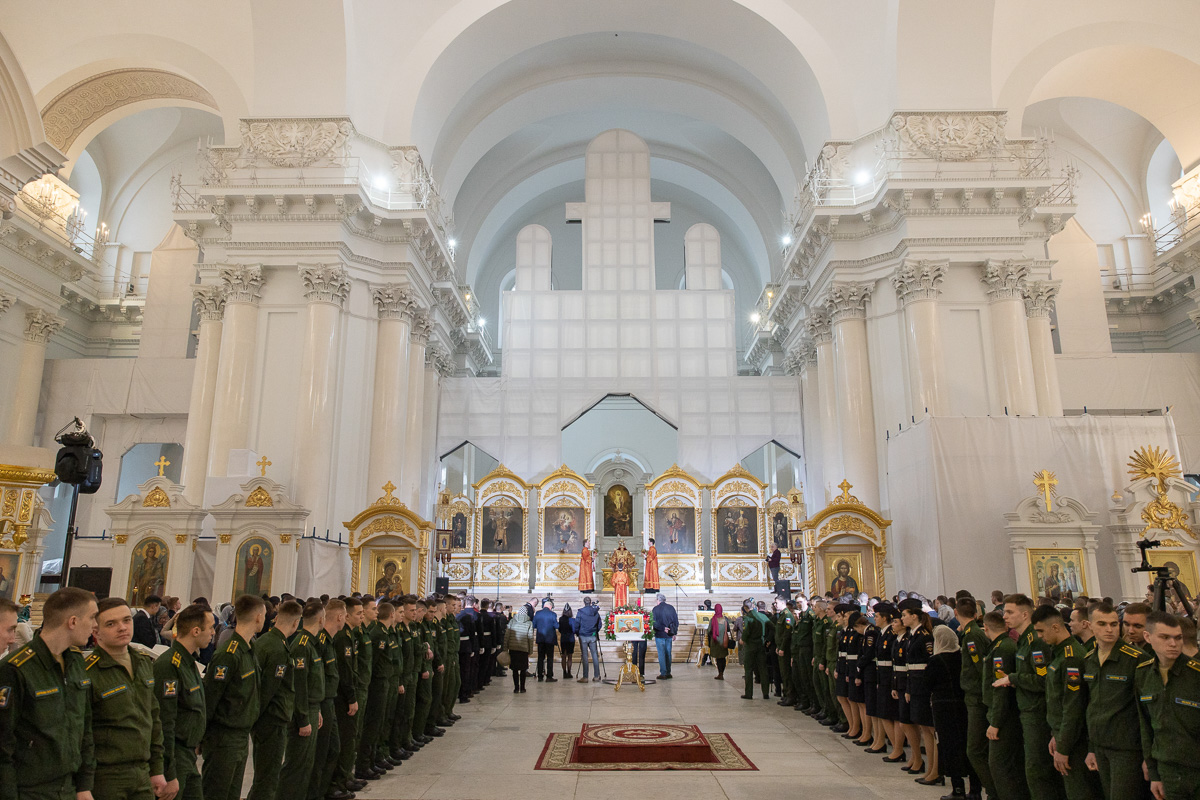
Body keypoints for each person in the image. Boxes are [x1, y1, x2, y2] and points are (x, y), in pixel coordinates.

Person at [0, 586, 98, 799]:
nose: (95, 625)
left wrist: (84, 785)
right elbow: (3, 744)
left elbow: (84, 726)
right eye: (92, 617)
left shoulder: (76, 661)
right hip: (31, 790)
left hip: (68, 787)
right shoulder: (16, 668)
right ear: (72, 621)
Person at [86, 597, 168, 799]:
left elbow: (153, 718)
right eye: (111, 624)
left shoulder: (143, 663)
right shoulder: (88, 672)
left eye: (126, 620)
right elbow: (82, 732)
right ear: (96, 632)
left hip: (142, 772)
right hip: (106, 776)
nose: (122, 628)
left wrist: (157, 768)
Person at [1082, 601, 1150, 800]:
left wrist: (1149, 757)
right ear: (1090, 626)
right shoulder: (1089, 659)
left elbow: (1147, 711)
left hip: (1127, 748)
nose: (1110, 629)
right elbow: (1092, 705)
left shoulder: (1137, 658)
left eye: (1114, 624)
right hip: (1101, 745)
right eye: (1102, 624)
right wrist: (1092, 748)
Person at [1033, 604, 1102, 800]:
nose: (1039, 636)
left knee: (1080, 792)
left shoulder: (1071, 657)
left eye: (1040, 631)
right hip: (1064, 736)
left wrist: (1063, 746)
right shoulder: (1059, 653)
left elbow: (1073, 707)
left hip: (1075, 741)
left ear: (1055, 627)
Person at [202, 594, 264, 800]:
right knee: (217, 792)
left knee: (233, 793)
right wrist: (201, 737)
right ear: (257, 617)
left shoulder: (249, 647)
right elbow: (211, 697)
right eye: (263, 614)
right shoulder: (229, 653)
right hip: (223, 737)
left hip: (240, 734)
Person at [1137, 611, 1200, 800]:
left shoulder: (1196, 674)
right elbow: (1146, 726)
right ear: (1148, 637)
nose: (1173, 644)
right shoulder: (1143, 674)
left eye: (1178, 638)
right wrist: (1154, 773)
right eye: (1165, 637)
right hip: (1168, 772)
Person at [154, 602, 213, 800]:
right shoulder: (170, 665)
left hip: (188, 754)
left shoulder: (188, 662)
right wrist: (169, 773)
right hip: (175, 756)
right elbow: (165, 722)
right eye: (211, 627)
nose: (213, 632)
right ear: (196, 631)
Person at [244, 598, 299, 800]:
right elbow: (268, 689)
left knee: (264, 773)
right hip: (272, 718)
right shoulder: (277, 647)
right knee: (268, 776)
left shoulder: (266, 641)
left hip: (265, 718)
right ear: (295, 623)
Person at [927, 623, 980, 799]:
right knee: (967, 745)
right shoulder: (961, 656)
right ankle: (975, 789)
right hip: (962, 704)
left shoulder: (935, 661)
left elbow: (928, 684)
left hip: (943, 707)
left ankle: (958, 789)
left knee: (949, 747)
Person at [983, 608, 1030, 800]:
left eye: (1010, 611)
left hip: (1004, 716)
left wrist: (996, 722)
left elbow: (1000, 688)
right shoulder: (1002, 645)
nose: (1006, 616)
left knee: (1001, 767)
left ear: (985, 628)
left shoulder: (1003, 648)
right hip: (1003, 714)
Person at [740, 598, 771, 700]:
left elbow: (747, 631)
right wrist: (768, 639)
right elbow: (772, 627)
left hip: (751, 645)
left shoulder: (748, 618)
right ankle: (765, 693)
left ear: (745, 607)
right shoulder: (762, 616)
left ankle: (749, 693)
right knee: (763, 669)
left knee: (748, 669)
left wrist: (743, 639)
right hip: (761, 644)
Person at [504, 603, 534, 693]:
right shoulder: (529, 623)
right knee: (523, 669)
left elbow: (507, 636)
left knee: (514, 669)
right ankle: (523, 688)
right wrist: (530, 650)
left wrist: (505, 649)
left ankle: (516, 688)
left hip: (513, 648)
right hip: (524, 649)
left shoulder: (512, 621)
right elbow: (530, 638)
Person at [652, 593, 678, 679]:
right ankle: (668, 672)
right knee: (668, 653)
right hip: (669, 635)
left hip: (660, 634)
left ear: (658, 600)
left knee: (661, 654)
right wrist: (674, 633)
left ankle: (663, 673)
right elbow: (676, 622)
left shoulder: (655, 609)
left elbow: (654, 623)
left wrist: (663, 628)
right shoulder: (671, 608)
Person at [576, 596, 602, 682]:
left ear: (584, 602)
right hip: (592, 635)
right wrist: (595, 631)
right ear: (590, 602)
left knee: (585, 656)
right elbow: (599, 624)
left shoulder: (580, 612)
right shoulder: (595, 612)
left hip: (583, 635)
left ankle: (585, 677)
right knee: (595, 655)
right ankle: (597, 676)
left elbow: (577, 624)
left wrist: (577, 632)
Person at [534, 599, 558, 682]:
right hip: (549, 639)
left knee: (540, 657)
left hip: (540, 638)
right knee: (550, 658)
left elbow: (534, 625)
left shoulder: (538, 613)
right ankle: (549, 676)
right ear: (550, 607)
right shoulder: (553, 614)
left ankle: (540, 675)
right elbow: (556, 626)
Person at [707, 603, 733, 680]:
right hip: (724, 641)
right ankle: (722, 673)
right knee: (723, 658)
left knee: (718, 658)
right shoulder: (725, 619)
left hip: (715, 642)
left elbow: (709, 631)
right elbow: (728, 629)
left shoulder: (713, 619)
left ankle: (720, 673)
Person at [558, 604, 576, 679]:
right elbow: (574, 630)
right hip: (571, 639)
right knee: (570, 656)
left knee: (563, 656)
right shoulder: (572, 620)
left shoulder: (560, 619)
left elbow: (559, 629)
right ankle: (569, 672)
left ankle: (564, 673)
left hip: (563, 639)